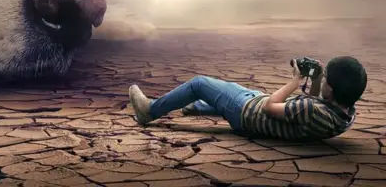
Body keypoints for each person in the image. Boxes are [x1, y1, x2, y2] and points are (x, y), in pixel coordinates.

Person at [128, 56, 368, 140]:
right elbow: (311, 107)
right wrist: (315, 82)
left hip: (247, 114)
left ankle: (149, 110)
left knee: (199, 83)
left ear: (332, 90)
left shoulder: (310, 110)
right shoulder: (345, 116)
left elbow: (269, 107)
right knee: (228, 87)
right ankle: (196, 107)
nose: (322, 81)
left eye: (325, 80)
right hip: (253, 108)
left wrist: (295, 81)